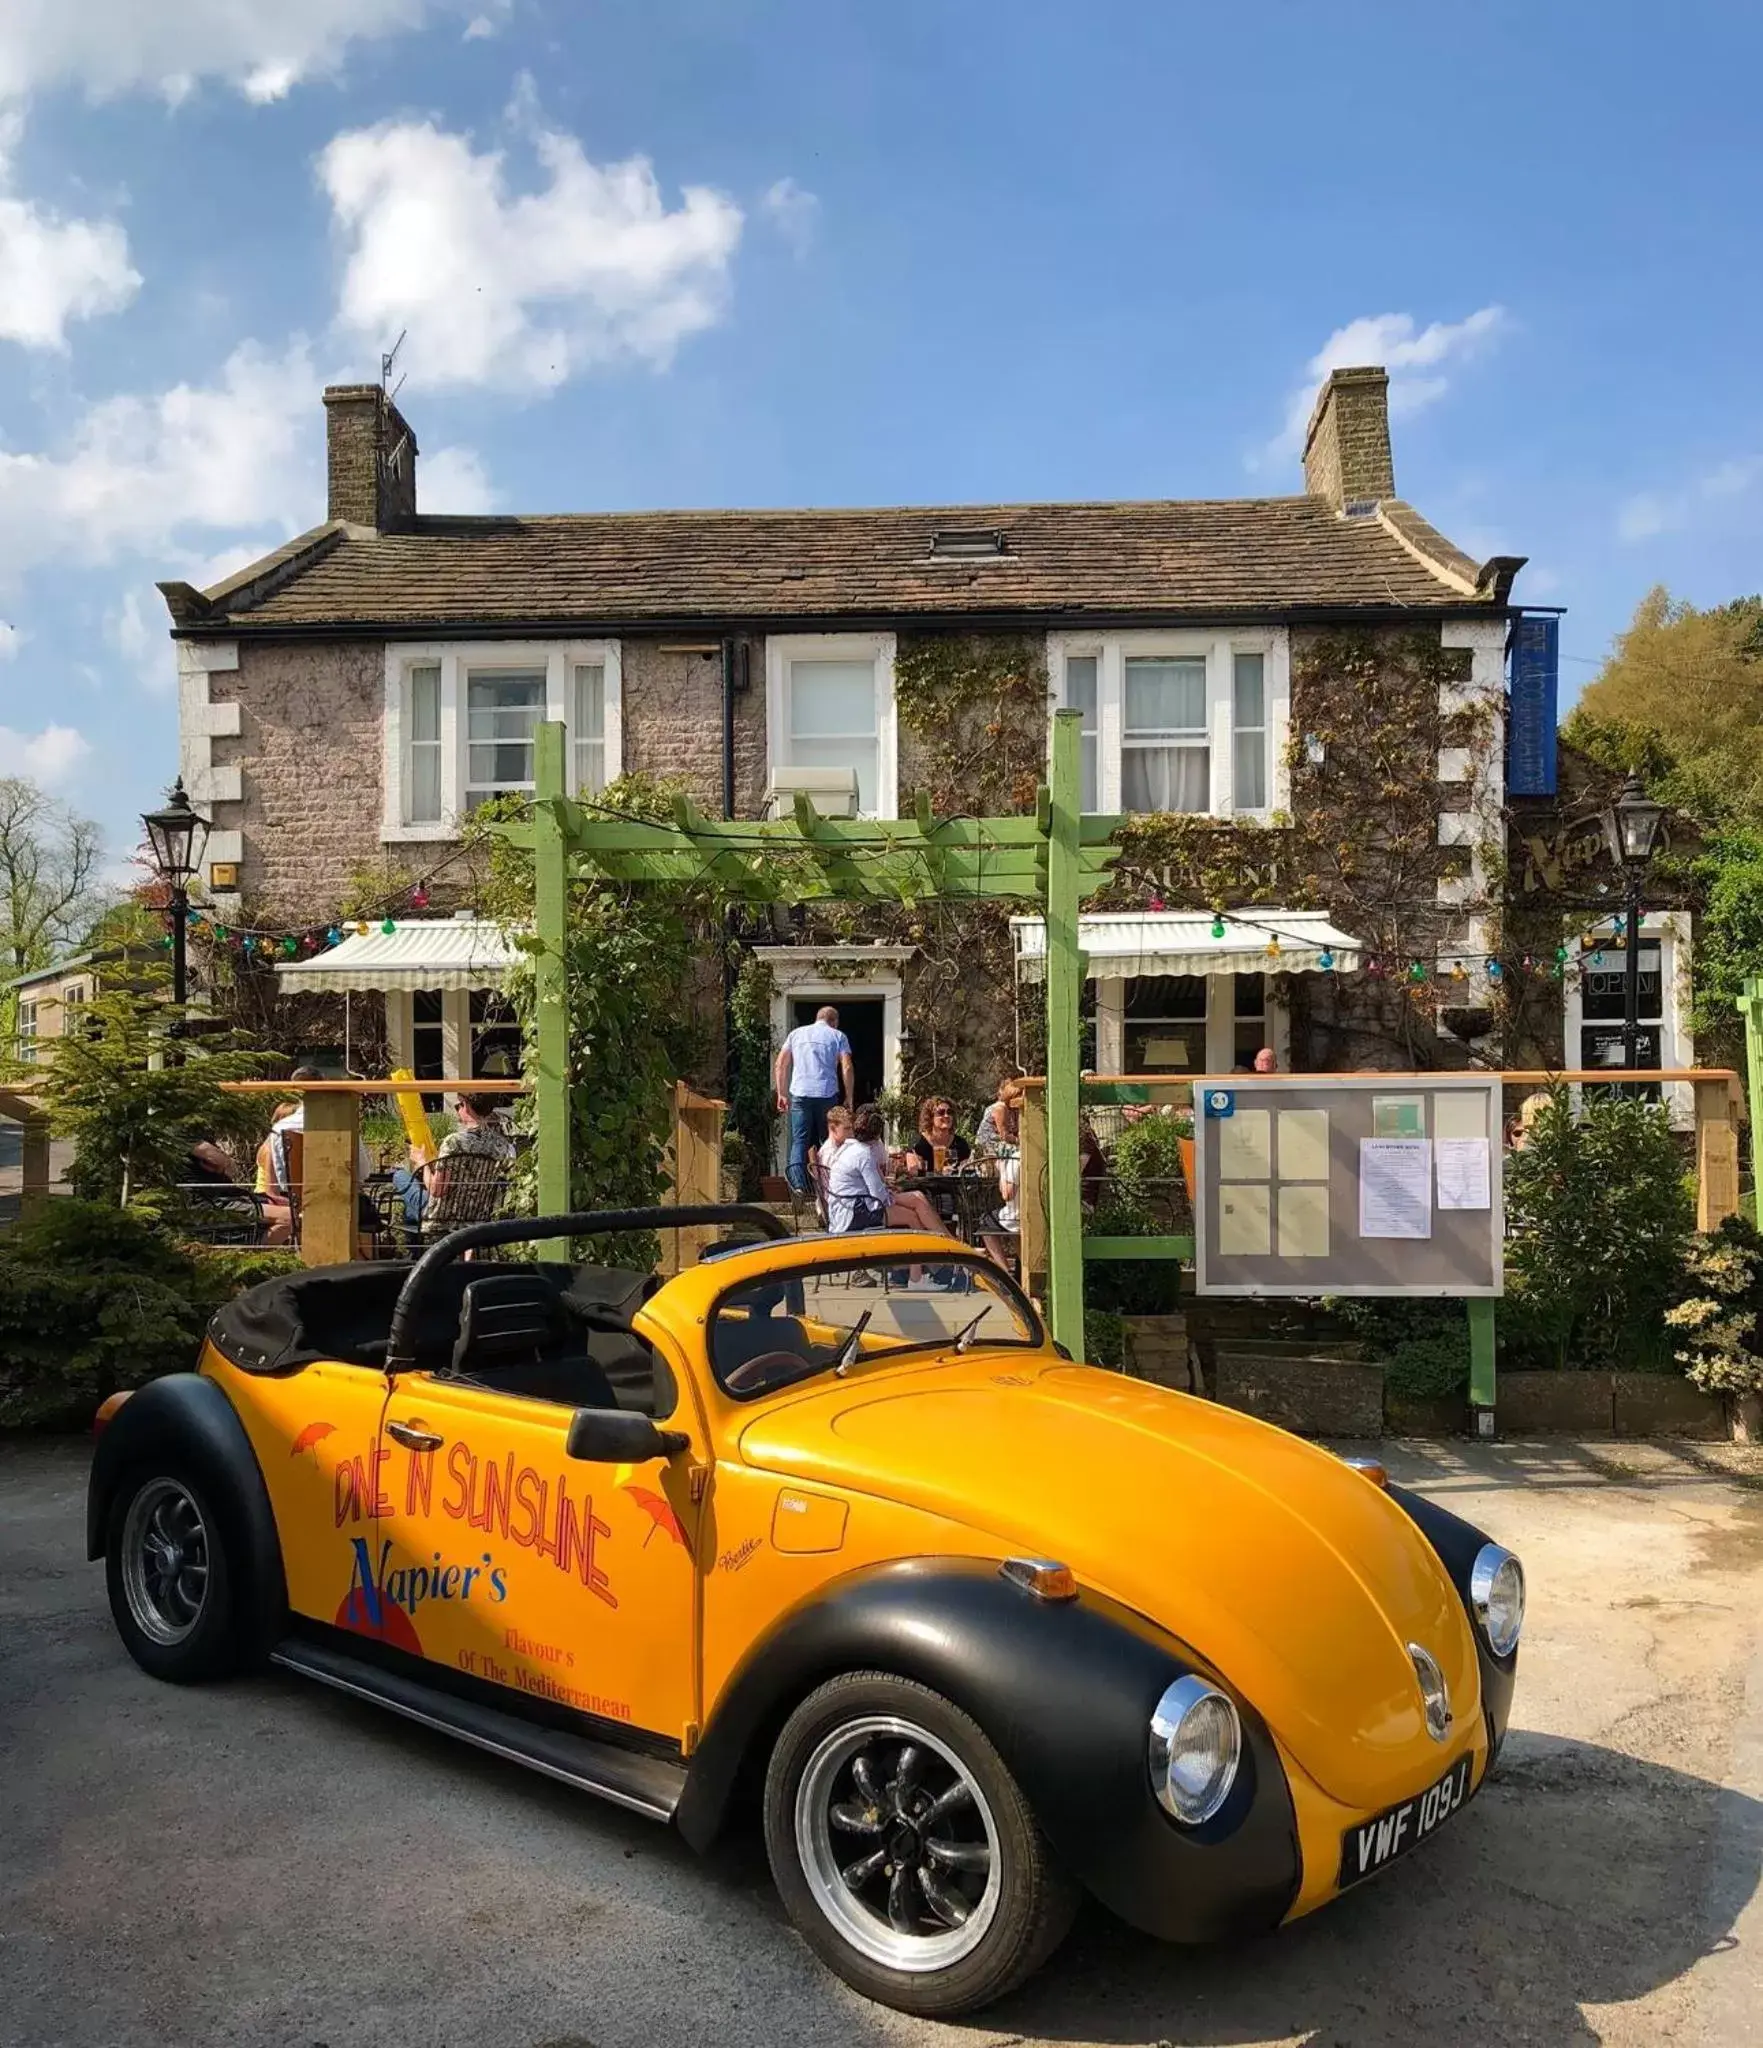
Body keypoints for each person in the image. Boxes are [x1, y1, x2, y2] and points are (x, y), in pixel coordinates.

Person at [825, 1106, 958, 1244]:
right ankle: (947, 1246)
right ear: (877, 1135)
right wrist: (891, 1195)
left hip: (848, 1207)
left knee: (917, 1197)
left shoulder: (848, 1149)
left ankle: (946, 1245)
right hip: (853, 1213)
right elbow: (879, 1197)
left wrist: (890, 1193)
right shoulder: (863, 1154)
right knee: (913, 1214)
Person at [774, 1005, 855, 1195]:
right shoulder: (838, 1036)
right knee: (829, 1140)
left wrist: (781, 1093)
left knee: (799, 1141)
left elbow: (780, 1064)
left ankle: (798, 1187)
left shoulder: (796, 1034)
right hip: (827, 1094)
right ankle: (829, 1186)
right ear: (834, 1022)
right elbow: (847, 1067)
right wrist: (849, 1096)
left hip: (800, 1093)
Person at [422, 1092, 518, 1235]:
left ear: (465, 1106)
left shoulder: (454, 1142)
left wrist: (422, 1163)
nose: (457, 1110)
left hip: (443, 1219)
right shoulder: (502, 1145)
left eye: (458, 1105)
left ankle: (415, 1253)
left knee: (402, 1179)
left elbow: (437, 1191)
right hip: (479, 1219)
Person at [910, 1097, 972, 1172]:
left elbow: (966, 1172)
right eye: (940, 1112)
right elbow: (912, 1172)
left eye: (949, 1112)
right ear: (930, 1117)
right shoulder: (917, 1142)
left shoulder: (960, 1144)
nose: (946, 1115)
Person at [975, 1077, 1024, 1155]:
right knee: (1022, 1152)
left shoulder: (1015, 1109)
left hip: (1002, 1144)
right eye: (1018, 1096)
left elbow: (1017, 1131)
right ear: (1010, 1097)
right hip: (989, 1146)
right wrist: (1021, 1141)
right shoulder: (1000, 1108)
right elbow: (1004, 1136)